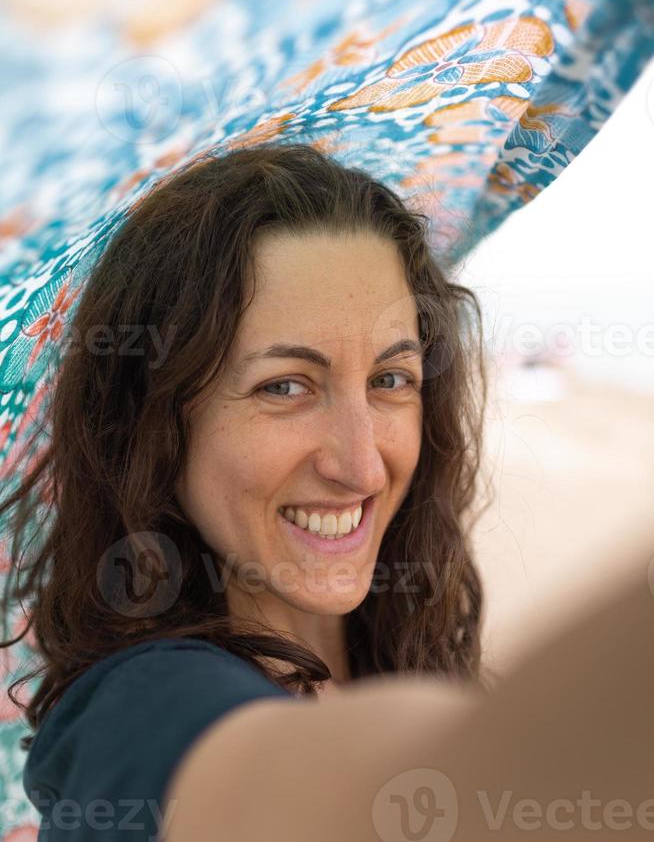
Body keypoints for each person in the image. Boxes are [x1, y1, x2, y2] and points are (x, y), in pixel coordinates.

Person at [0, 142, 651, 841]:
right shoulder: (136, 714)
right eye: (285, 386)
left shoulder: (399, 655)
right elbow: (440, 788)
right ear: (156, 426)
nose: (362, 466)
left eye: (390, 379)